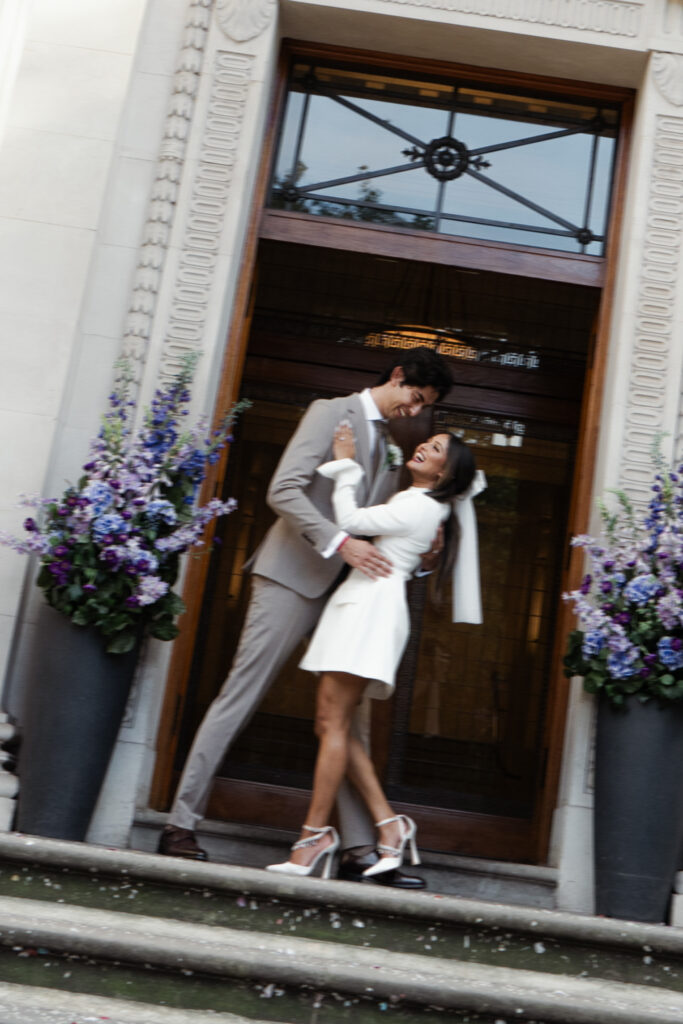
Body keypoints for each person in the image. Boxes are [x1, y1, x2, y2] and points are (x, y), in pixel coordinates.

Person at [158, 346, 453, 888]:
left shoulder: (391, 447)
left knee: (348, 720)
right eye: (414, 399)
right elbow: (283, 490)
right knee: (241, 693)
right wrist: (339, 542)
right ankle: (180, 823)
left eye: (424, 408)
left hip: (349, 595)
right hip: (291, 576)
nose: (414, 413)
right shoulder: (328, 412)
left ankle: (360, 849)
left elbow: (377, 525)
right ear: (396, 377)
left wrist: (424, 553)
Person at [265, 426, 482, 878]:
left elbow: (349, 521)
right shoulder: (421, 507)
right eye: (429, 442)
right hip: (367, 607)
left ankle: (314, 837)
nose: (424, 447)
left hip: (369, 610)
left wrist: (346, 463)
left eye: (436, 449)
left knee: (332, 724)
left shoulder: (418, 505)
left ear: (446, 473)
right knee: (335, 725)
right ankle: (388, 827)